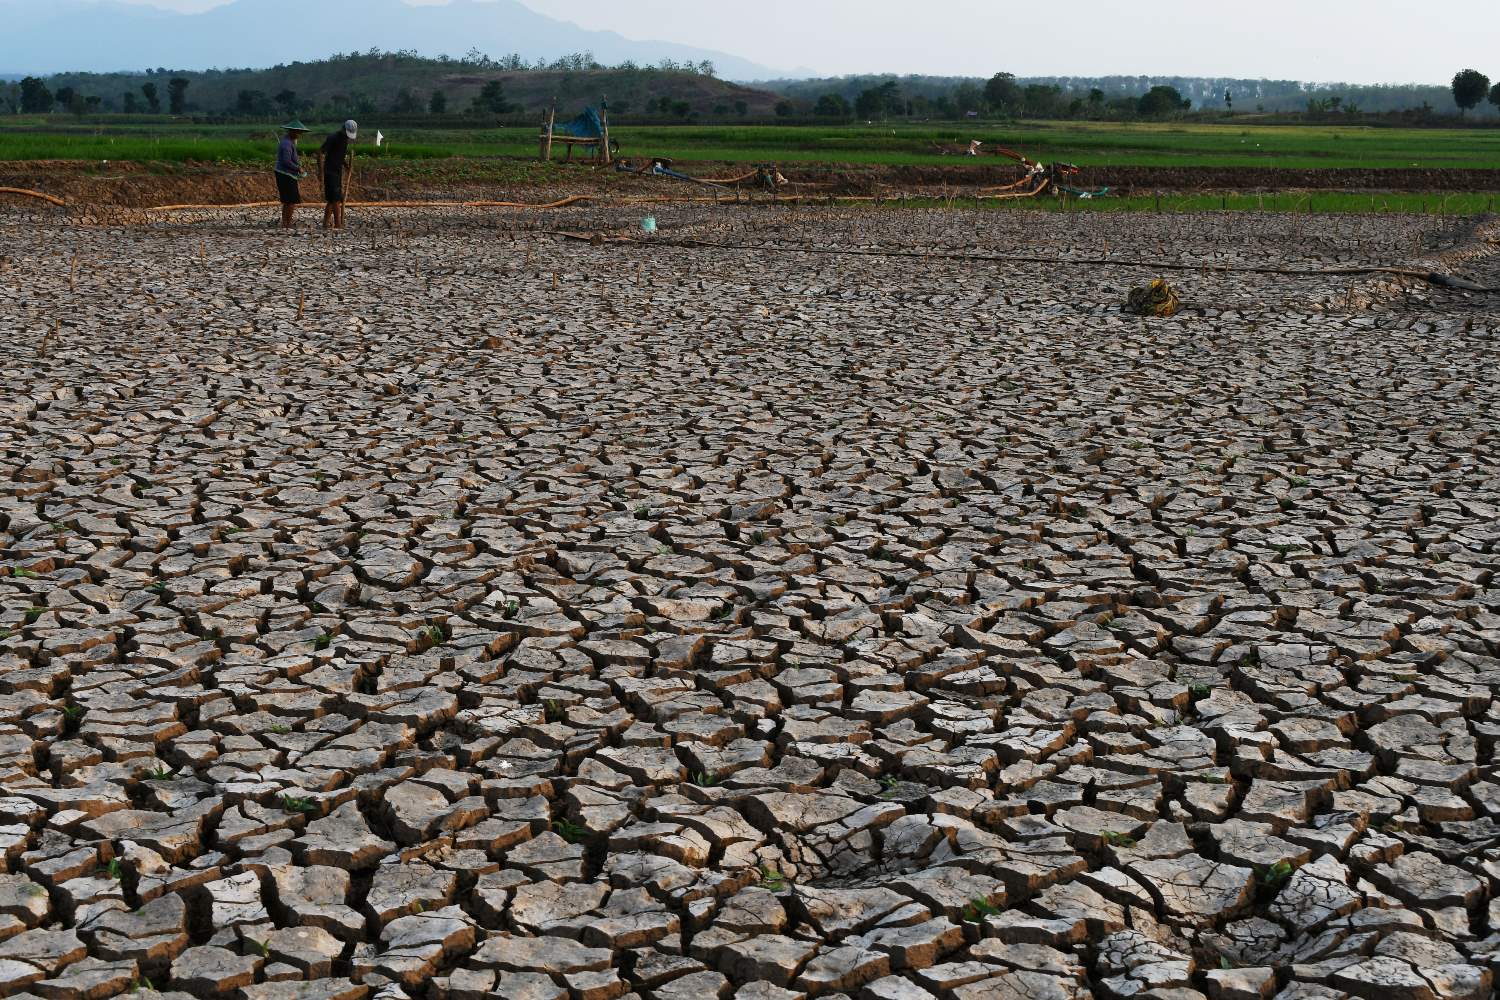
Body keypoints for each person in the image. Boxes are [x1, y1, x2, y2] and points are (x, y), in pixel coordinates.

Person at [317, 120, 357, 230]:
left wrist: (346, 166)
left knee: (332, 199)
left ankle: (325, 223)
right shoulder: (333, 137)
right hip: (330, 171)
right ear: (343, 129)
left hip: (338, 171)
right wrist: (320, 172)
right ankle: (338, 224)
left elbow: (340, 156)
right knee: (336, 199)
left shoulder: (345, 140)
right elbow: (320, 152)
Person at [274, 121, 309, 230]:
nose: (299, 135)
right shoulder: (287, 144)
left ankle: (285, 223)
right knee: (291, 201)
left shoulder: (289, 142)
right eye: (298, 132)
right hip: (285, 174)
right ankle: (287, 223)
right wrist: (298, 168)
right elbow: (286, 161)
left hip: (284, 173)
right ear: (292, 132)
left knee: (287, 201)